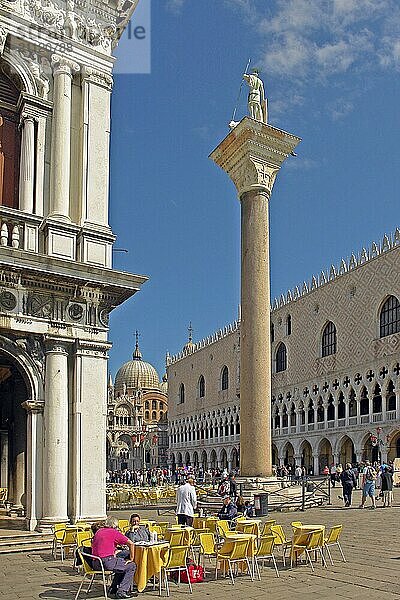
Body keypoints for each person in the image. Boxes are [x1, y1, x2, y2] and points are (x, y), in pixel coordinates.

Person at [91, 516, 137, 599]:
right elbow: (131, 544)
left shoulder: (99, 531)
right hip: (106, 562)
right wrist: (131, 558)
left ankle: (114, 587)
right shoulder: (113, 532)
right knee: (131, 565)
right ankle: (122, 591)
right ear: (114, 526)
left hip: (95, 563)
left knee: (121, 564)